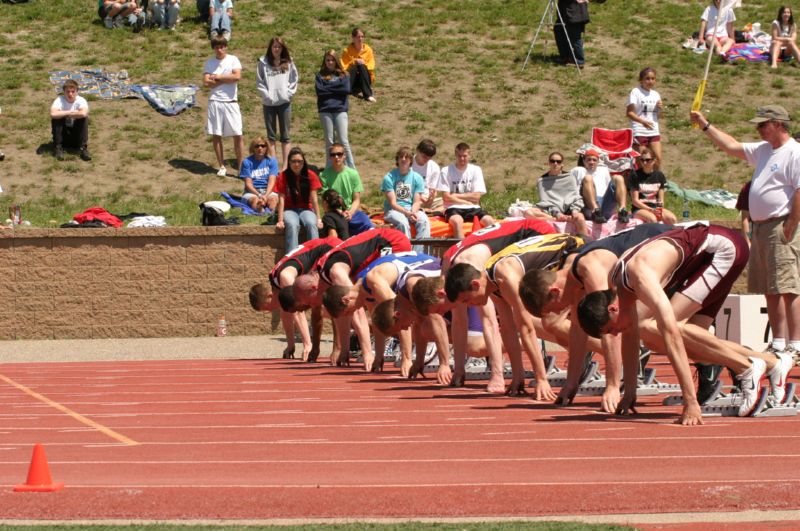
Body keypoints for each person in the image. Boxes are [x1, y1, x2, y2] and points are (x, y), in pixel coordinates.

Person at [576, 223, 793, 424]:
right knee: (694, 344)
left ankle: (747, 367)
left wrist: (691, 403)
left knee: (660, 329)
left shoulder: (639, 278)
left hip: (722, 250)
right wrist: (630, 390)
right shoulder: (619, 287)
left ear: (612, 309)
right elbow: (631, 335)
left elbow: (670, 333)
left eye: (612, 330)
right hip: (705, 258)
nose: (616, 334)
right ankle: (772, 364)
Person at [519, 223, 675, 412]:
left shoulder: (590, 269)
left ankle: (706, 370)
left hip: (667, 244)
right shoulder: (573, 276)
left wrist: (612, 386)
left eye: (553, 309)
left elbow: (610, 325)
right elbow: (577, 329)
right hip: (646, 261)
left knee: (643, 328)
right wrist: (571, 382)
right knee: (637, 326)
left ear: (554, 291)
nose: (556, 313)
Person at [690, 105, 800, 365]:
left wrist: (792, 223)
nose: (758, 128)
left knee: (789, 286)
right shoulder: (764, 150)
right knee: (769, 287)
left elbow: (799, 190)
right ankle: (779, 342)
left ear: (779, 124)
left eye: (763, 124)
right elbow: (731, 146)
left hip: (781, 224)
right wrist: (706, 125)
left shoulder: (794, 152)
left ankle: (795, 344)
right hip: (763, 227)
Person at [411, 219, 556, 393]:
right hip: (508, 250)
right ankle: (521, 374)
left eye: (439, 310)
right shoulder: (450, 272)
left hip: (535, 233)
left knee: (533, 313)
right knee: (510, 315)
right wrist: (458, 371)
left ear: (441, 294)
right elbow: (459, 322)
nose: (442, 314)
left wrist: (497, 376)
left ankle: (569, 350)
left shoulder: (471, 270)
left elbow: (490, 322)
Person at [445, 233, 591, 398]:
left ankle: (606, 357)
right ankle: (585, 352)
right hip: (561, 256)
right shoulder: (493, 283)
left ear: (475, 284)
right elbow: (507, 329)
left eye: (466, 300)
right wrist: (518, 376)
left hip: (577, 249)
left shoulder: (504, 276)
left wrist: (541, 378)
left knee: (549, 322)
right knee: (547, 322)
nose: (469, 305)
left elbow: (526, 328)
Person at [293, 228, 412, 371]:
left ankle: (409, 355)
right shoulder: (334, 282)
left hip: (391, 241)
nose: (313, 306)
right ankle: (382, 352)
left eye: (310, 302)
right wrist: (344, 350)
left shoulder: (336, 272)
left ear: (313, 288)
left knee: (394, 307)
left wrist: (368, 354)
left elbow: (358, 313)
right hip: (373, 254)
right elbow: (348, 313)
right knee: (376, 304)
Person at [249, 235, 342, 362]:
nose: (270, 311)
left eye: (267, 308)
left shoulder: (284, 277)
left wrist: (307, 345)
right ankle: (327, 345)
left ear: (269, 296)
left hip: (330, 248)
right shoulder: (276, 281)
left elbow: (298, 313)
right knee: (318, 306)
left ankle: (339, 347)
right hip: (321, 252)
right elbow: (288, 313)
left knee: (333, 302)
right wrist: (290, 345)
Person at [203, 36, 244, 178]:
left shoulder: (233, 59)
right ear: (213, 48)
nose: (219, 50)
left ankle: (241, 167)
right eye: (216, 47)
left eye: (222, 46)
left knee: (238, 135)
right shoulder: (209, 63)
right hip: (215, 101)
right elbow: (206, 82)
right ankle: (221, 166)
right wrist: (226, 78)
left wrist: (218, 77)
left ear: (226, 46)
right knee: (216, 134)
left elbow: (237, 77)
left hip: (231, 101)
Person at [437, 142, 496, 239]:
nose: (462, 159)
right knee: (457, 221)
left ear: (469, 155)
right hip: (453, 208)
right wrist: (465, 200)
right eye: (459, 156)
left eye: (464, 156)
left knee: (489, 221)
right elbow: (446, 197)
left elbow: (477, 196)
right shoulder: (446, 171)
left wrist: (455, 195)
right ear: (455, 155)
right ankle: (461, 248)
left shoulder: (476, 170)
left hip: (473, 208)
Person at [256, 37, 298, 170]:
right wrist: (267, 96)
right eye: (274, 46)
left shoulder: (288, 62)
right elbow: (259, 81)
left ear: (282, 48)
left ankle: (285, 167)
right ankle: (274, 165)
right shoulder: (263, 62)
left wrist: (288, 94)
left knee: (285, 136)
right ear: (270, 48)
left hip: (284, 103)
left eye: (279, 47)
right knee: (271, 136)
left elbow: (294, 79)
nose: (276, 49)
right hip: (269, 104)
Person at [522, 151, 587, 235]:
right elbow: (546, 202)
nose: (555, 164)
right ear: (549, 163)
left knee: (580, 218)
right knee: (528, 213)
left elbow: (575, 197)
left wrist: (575, 210)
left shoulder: (570, 177)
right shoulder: (542, 181)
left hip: (569, 208)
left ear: (562, 164)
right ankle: (555, 219)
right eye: (552, 161)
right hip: (551, 211)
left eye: (558, 161)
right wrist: (557, 214)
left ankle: (586, 241)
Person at [381, 146, 430, 253]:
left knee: (424, 221)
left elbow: (417, 201)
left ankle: (418, 254)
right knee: (403, 222)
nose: (404, 159)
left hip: (411, 208)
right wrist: (406, 213)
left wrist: (412, 212)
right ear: (397, 160)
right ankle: (406, 252)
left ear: (411, 160)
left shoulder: (417, 178)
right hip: (393, 210)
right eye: (401, 157)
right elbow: (393, 203)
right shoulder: (389, 177)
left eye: (407, 157)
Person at [319, 142, 373, 236]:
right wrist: (339, 212)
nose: (336, 157)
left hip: (351, 211)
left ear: (344, 156)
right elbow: (325, 202)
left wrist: (350, 213)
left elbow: (356, 200)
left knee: (367, 224)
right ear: (329, 157)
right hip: (333, 213)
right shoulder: (323, 175)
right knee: (338, 230)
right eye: (333, 155)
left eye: (339, 154)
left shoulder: (353, 174)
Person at [275, 147, 322, 252]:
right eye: (293, 161)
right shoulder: (283, 176)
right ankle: (292, 257)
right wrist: (280, 220)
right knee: (292, 224)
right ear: (289, 162)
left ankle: (315, 255)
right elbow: (281, 200)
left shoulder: (311, 175)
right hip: (289, 209)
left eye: (299, 161)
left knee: (311, 223)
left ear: (303, 162)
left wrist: (319, 219)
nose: (297, 164)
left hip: (306, 209)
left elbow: (314, 199)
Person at [315, 50, 355, 169]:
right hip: (325, 110)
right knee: (329, 141)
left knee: (343, 140)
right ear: (325, 61)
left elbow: (346, 89)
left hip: (340, 110)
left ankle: (351, 169)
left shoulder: (344, 74)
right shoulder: (320, 75)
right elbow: (320, 91)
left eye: (332, 60)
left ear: (336, 60)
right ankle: (329, 169)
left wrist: (328, 88)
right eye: (328, 60)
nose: (330, 62)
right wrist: (336, 89)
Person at [572, 148, 629, 224]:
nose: (591, 162)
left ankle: (622, 209)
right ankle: (595, 211)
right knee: (588, 178)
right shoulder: (578, 170)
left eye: (594, 160)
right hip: (589, 205)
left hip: (605, 203)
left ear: (598, 161)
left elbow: (610, 187)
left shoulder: (603, 170)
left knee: (618, 178)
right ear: (583, 161)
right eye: (589, 160)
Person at [627, 147, 677, 224]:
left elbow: (661, 199)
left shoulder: (659, 176)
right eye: (642, 160)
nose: (644, 163)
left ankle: (669, 235)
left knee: (672, 219)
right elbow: (635, 201)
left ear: (654, 160)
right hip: (639, 208)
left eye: (647, 160)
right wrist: (650, 210)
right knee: (652, 219)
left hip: (655, 207)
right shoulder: (634, 175)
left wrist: (659, 209)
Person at [626, 67, 664, 169]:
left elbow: (658, 116)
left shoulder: (656, 94)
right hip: (640, 131)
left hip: (654, 130)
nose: (650, 81)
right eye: (647, 78)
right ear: (641, 80)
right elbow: (629, 113)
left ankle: (655, 181)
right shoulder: (636, 92)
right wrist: (642, 121)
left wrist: (660, 109)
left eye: (653, 78)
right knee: (642, 160)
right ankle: (640, 182)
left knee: (657, 159)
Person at [50, 80, 91, 162]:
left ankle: (83, 149)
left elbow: (83, 113)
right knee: (57, 118)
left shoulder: (81, 100)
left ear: (77, 92)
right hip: (63, 136)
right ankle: (58, 148)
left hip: (77, 137)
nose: (70, 94)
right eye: (67, 91)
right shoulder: (59, 100)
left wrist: (63, 113)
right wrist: (70, 113)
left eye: (73, 91)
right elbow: (53, 114)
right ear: (64, 92)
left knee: (84, 118)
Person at [240, 137, 279, 214]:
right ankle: (260, 209)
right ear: (253, 148)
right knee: (255, 201)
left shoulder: (272, 161)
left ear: (266, 147)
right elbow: (248, 184)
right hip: (252, 192)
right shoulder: (246, 162)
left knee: (273, 201)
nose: (260, 148)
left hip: (268, 190)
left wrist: (266, 195)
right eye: (257, 146)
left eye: (263, 146)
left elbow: (272, 181)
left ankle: (270, 210)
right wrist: (259, 195)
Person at [341, 27, 376, 103]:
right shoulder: (347, 51)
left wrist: (363, 63)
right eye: (358, 37)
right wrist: (354, 62)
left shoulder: (368, 50)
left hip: (364, 78)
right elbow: (343, 67)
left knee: (362, 66)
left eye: (362, 36)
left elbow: (371, 65)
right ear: (353, 38)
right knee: (354, 66)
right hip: (351, 79)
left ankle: (368, 95)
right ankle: (347, 90)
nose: (360, 39)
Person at [554, 0, 590, 68]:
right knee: (559, 31)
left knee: (574, 37)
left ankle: (579, 60)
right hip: (567, 11)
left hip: (574, 12)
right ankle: (566, 56)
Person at [412, 139, 442, 211]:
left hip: (426, 199)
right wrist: (419, 197)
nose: (426, 160)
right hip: (412, 197)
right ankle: (424, 210)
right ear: (417, 150)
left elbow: (433, 188)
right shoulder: (408, 163)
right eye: (424, 157)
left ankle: (428, 211)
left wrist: (432, 196)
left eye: (429, 158)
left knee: (447, 202)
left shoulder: (434, 167)